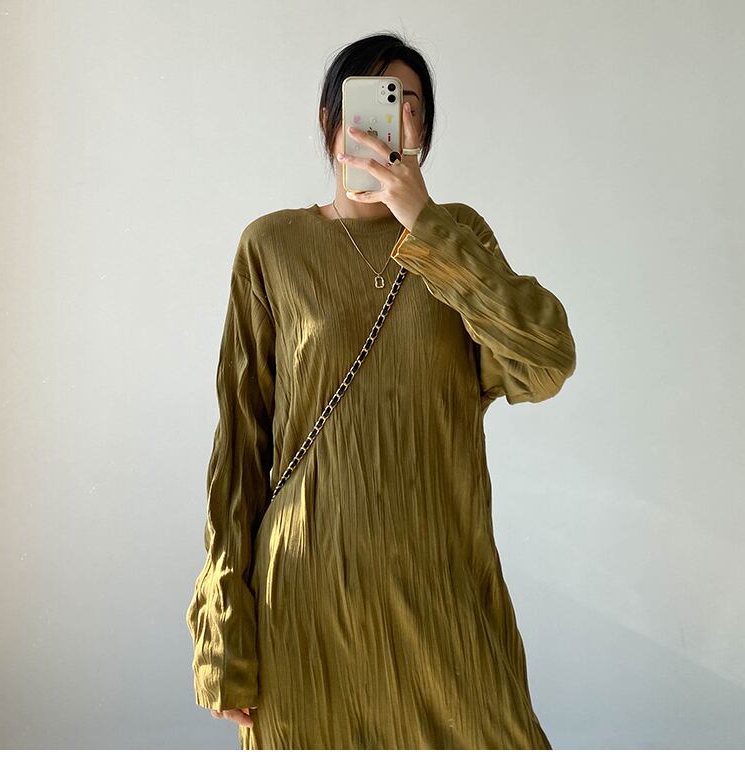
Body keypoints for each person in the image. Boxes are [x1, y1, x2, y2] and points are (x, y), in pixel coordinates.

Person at [185, 33, 576, 750]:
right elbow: (239, 445)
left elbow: (545, 361)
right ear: (330, 119)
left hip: (441, 593)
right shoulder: (270, 247)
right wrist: (223, 631)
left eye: (410, 106)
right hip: (301, 601)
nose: (392, 121)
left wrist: (426, 224)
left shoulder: (459, 236)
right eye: (374, 101)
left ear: (424, 131)